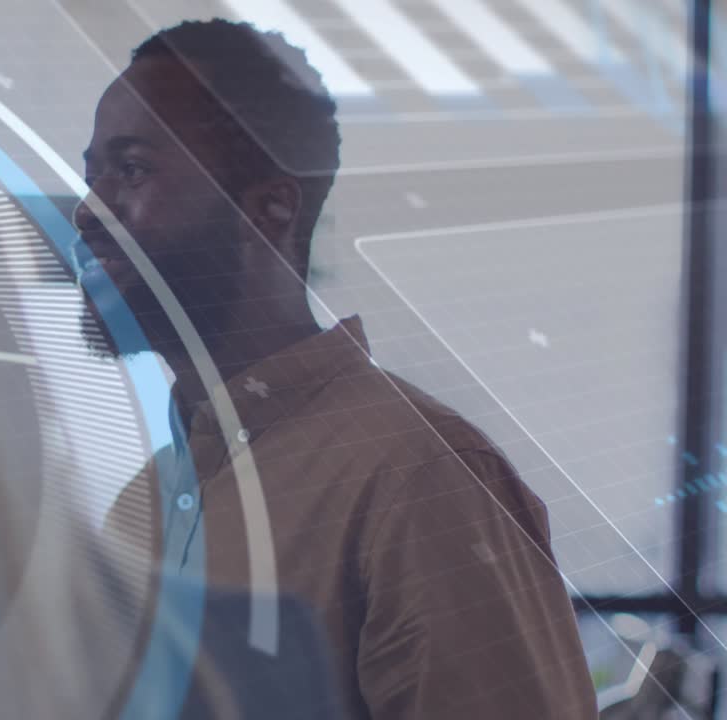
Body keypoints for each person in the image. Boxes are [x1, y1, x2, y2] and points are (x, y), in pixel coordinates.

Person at [80, 19, 597, 719]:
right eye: (92, 175)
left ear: (271, 206)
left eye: (132, 169)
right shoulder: (138, 506)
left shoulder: (418, 476)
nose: (88, 210)